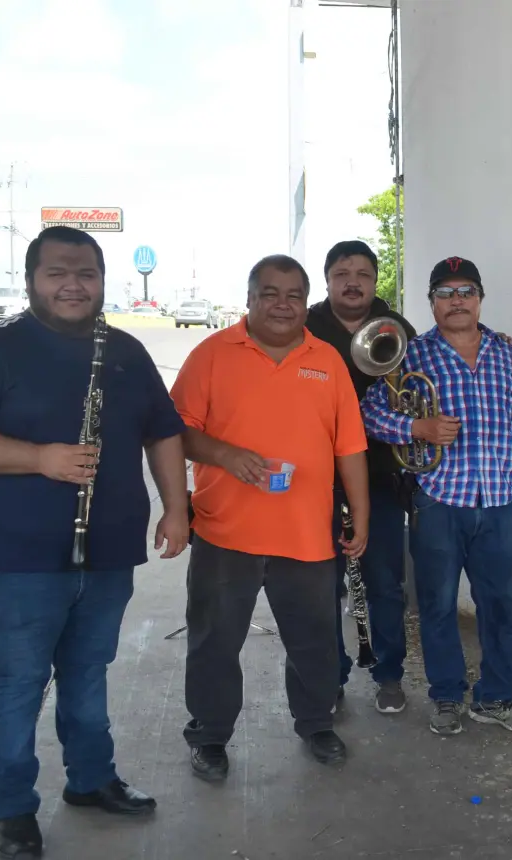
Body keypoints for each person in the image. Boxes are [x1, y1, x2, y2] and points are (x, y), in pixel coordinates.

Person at [0, 226, 189, 858]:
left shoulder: (125, 350)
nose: (73, 285)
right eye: (57, 273)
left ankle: (91, 779)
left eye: (86, 274)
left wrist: (178, 509)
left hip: (106, 554)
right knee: (15, 683)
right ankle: (13, 809)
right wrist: (39, 457)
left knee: (88, 673)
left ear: (102, 281)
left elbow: (163, 433)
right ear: (31, 281)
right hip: (14, 558)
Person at [170, 254, 370, 780]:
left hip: (306, 534)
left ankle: (316, 723)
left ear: (307, 302)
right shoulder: (212, 355)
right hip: (224, 531)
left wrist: (362, 515)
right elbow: (175, 433)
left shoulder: (327, 361)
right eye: (270, 293)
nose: (282, 305)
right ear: (250, 298)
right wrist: (224, 455)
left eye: (294, 295)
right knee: (214, 641)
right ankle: (210, 736)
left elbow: (349, 447)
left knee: (314, 640)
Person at [361, 256, 512, 737]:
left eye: (466, 290)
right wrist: (416, 426)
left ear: (480, 298)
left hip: (498, 503)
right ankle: (447, 697)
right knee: (438, 606)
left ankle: (497, 698)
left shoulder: (507, 354)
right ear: (431, 304)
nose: (457, 300)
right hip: (438, 502)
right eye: (445, 293)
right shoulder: (411, 355)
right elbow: (368, 415)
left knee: (500, 606)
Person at [305, 240, 416, 714]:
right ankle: (331, 675)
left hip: (381, 475)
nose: (353, 281)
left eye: (364, 274)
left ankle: (389, 673)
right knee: (322, 585)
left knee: (386, 582)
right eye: (342, 273)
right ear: (327, 278)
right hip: (315, 478)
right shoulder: (304, 327)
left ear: (375, 280)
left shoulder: (398, 328)